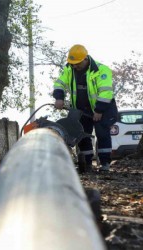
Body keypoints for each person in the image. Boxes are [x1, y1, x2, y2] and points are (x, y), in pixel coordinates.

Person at [53, 44, 118, 172]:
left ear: (85, 59)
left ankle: (105, 164)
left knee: (102, 133)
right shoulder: (69, 69)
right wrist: (59, 97)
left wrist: (99, 110)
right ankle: (86, 163)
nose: (74, 66)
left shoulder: (101, 70)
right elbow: (59, 83)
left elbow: (106, 92)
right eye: (72, 63)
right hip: (80, 109)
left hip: (102, 108)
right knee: (81, 134)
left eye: (77, 63)